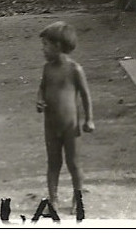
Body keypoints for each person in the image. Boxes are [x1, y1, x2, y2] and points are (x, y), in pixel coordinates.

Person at [36, 21, 94, 214]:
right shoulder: (47, 69)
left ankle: (78, 198)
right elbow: (42, 88)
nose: (43, 50)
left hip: (71, 126)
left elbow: (85, 95)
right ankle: (53, 200)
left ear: (58, 46)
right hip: (51, 125)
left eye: (45, 45)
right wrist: (39, 100)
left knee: (74, 163)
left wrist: (89, 119)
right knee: (53, 163)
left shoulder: (75, 70)